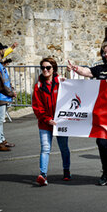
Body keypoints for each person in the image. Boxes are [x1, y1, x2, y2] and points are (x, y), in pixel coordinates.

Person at [67, 40, 107, 188]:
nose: (106, 55)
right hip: (103, 114)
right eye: (104, 52)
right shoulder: (101, 69)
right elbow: (86, 72)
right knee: (102, 143)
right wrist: (75, 68)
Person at [32, 57, 71, 186]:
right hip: (45, 123)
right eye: (43, 68)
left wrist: (69, 74)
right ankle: (43, 175)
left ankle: (66, 171)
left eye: (48, 67)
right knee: (45, 149)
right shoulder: (38, 86)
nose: (45, 70)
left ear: (53, 69)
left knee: (64, 148)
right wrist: (47, 119)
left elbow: (72, 91)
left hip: (60, 122)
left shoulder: (60, 81)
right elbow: (37, 106)